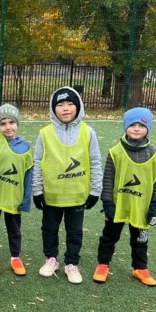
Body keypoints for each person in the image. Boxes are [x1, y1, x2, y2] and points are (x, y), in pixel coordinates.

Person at [32, 86, 102, 284]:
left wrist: (95, 190)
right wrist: (37, 190)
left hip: (77, 194)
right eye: (60, 104)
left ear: (78, 107)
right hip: (51, 194)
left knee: (74, 231)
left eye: (70, 104)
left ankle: (72, 263)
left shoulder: (88, 132)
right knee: (49, 229)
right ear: (53, 109)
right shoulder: (44, 133)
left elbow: (95, 161)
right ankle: (51, 259)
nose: (65, 108)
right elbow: (37, 162)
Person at [93, 107, 156, 286]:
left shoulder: (155, 154)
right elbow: (108, 178)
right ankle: (103, 265)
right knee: (109, 237)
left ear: (148, 128)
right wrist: (107, 202)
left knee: (140, 239)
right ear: (125, 127)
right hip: (118, 205)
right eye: (132, 124)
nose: (136, 128)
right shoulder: (115, 151)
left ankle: (140, 268)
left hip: (142, 207)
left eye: (141, 125)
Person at [0, 104, 33, 277]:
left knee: (15, 229)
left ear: (17, 124)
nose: (8, 127)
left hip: (14, 199)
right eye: (3, 123)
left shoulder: (26, 147)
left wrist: (26, 200)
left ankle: (15, 257)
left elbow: (28, 176)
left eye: (11, 122)